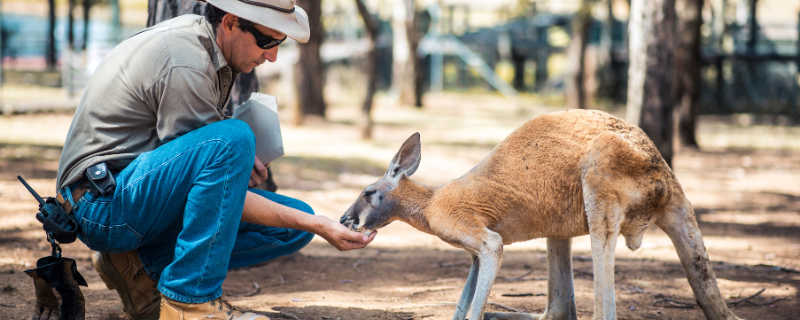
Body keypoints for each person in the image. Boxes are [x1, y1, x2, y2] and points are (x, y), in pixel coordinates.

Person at [54, 0, 377, 319]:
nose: (272, 55)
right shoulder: (188, 63)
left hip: (128, 195)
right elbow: (216, 162)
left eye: (280, 43)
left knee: (294, 223)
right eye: (266, 41)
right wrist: (318, 224)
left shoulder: (212, 49)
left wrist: (233, 172)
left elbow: (204, 191)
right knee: (235, 140)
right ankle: (189, 301)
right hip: (101, 207)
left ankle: (138, 267)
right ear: (231, 22)